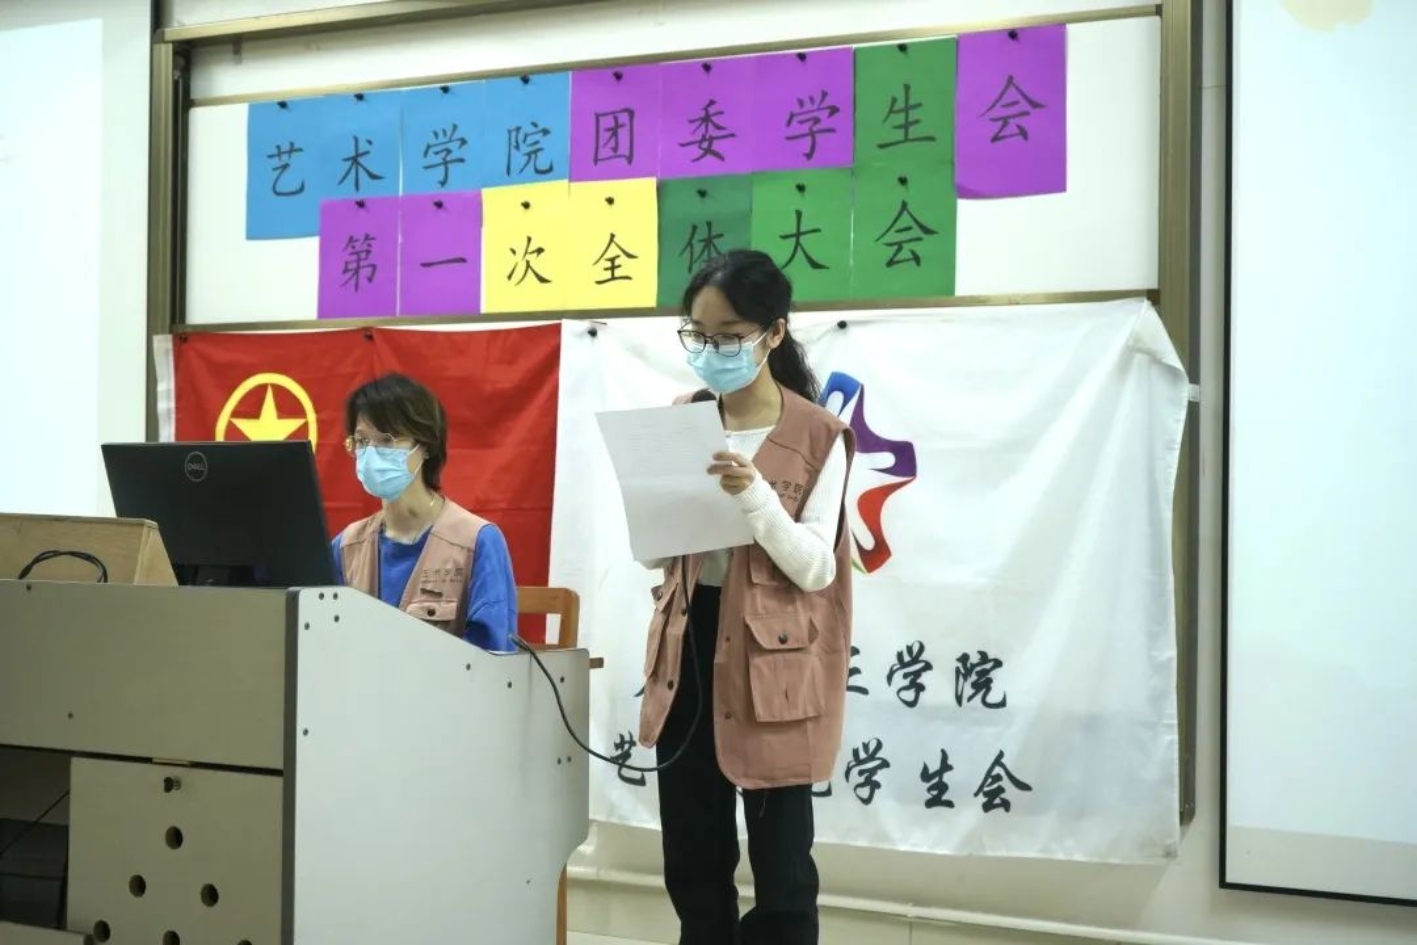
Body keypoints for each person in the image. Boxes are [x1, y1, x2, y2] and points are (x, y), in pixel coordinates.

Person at [638, 250, 855, 945]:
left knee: (783, 869)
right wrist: (649, 506)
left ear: (773, 332)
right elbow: (656, 555)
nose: (710, 351)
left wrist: (755, 495)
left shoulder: (819, 434)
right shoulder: (683, 417)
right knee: (693, 858)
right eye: (697, 334)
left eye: (728, 336)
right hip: (688, 646)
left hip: (773, 660)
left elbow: (816, 568)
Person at [331, 373, 518, 652]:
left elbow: (494, 655)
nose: (371, 454)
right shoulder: (346, 547)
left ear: (426, 446)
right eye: (361, 441)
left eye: (386, 440)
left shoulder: (476, 542)